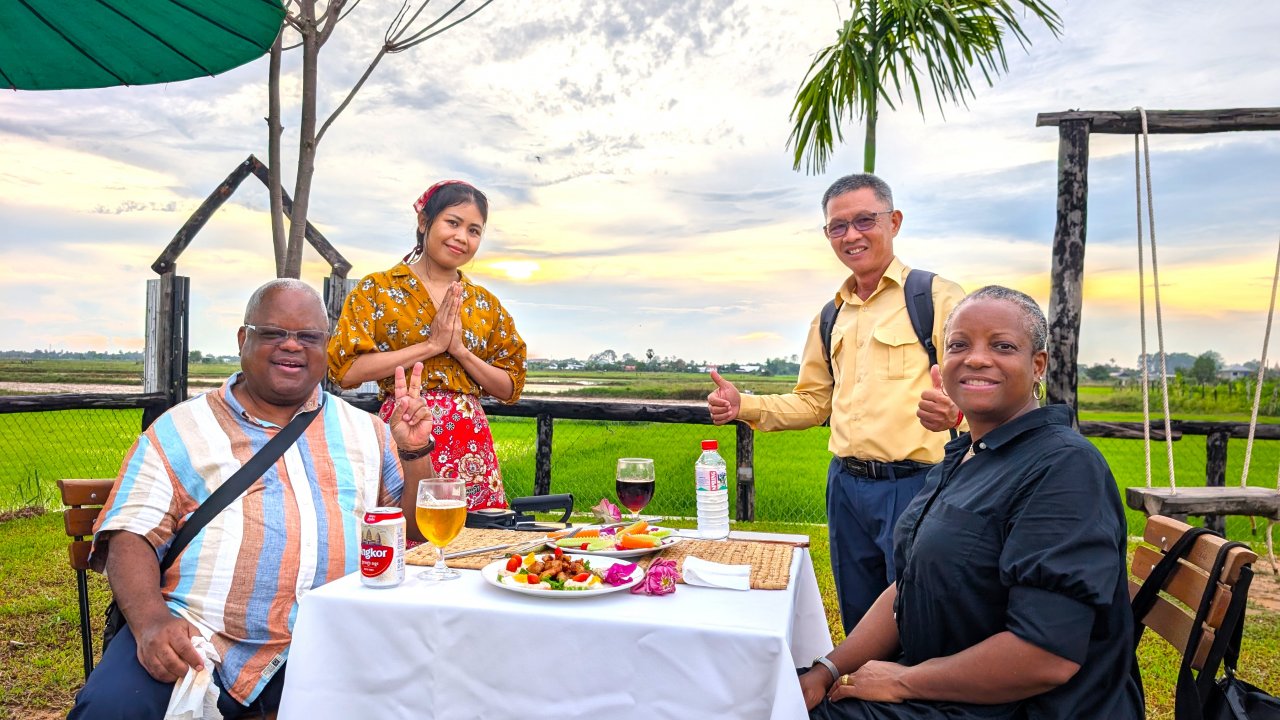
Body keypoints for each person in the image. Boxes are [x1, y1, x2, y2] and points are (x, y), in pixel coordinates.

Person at [70, 279, 437, 719]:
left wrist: (414, 450)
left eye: (308, 336)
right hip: (201, 641)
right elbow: (131, 533)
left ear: (326, 345)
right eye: (274, 333)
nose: (292, 346)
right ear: (244, 339)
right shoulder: (180, 430)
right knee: (112, 710)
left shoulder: (368, 431)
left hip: (335, 645)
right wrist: (150, 622)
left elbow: (415, 526)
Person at [799, 286, 1144, 720]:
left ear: (1038, 365)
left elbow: (1046, 655)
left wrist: (903, 681)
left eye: (1002, 345)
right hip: (941, 686)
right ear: (941, 368)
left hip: (1015, 708)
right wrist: (827, 669)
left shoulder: (1063, 468)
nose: (977, 358)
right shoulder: (965, 457)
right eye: (959, 345)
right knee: (776, 690)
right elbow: (909, 587)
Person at [707, 173, 965, 631]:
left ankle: (914, 700)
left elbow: (987, 389)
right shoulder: (831, 315)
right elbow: (813, 402)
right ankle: (862, 698)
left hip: (920, 483)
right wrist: (742, 403)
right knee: (860, 616)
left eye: (865, 220)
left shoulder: (938, 298)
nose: (852, 235)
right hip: (846, 487)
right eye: (838, 227)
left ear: (895, 221)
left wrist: (959, 415)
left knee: (920, 615)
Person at [328, 180, 527, 511]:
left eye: (474, 230)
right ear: (424, 222)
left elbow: (509, 387)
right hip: (403, 430)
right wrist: (431, 345)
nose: (462, 237)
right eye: (453, 222)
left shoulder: (484, 303)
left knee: (476, 544)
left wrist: (461, 351)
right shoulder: (378, 290)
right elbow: (346, 372)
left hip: (470, 442)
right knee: (401, 535)